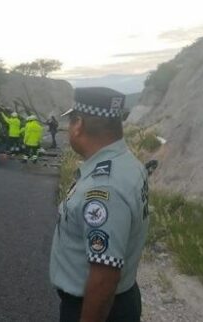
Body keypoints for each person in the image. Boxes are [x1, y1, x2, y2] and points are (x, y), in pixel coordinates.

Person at [49, 87, 148, 322]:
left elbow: (104, 276)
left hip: (96, 308)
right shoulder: (125, 163)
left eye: (71, 122)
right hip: (119, 300)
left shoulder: (103, 187)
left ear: (79, 124)